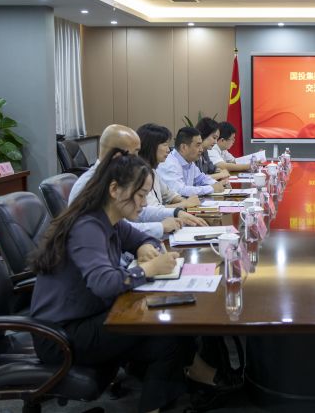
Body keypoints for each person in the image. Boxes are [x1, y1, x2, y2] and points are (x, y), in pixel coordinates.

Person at [30, 151, 223, 413]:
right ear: (114, 189)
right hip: (62, 335)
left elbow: (142, 239)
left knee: (169, 339)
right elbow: (105, 284)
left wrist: (145, 247)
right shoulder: (87, 226)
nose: (144, 203)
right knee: (166, 329)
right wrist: (149, 268)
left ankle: (168, 396)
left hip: (90, 316)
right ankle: (197, 380)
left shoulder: (110, 220)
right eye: (140, 195)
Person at [69, 124, 201, 237]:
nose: (138, 158)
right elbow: (118, 230)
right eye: (135, 153)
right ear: (117, 155)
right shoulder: (90, 184)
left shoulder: (116, 176)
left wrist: (176, 212)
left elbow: (139, 213)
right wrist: (160, 227)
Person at [136, 123, 205, 214]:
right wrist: (184, 204)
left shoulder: (152, 170)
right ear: (151, 146)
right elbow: (152, 211)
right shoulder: (139, 173)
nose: (168, 150)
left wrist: (185, 201)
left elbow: (169, 194)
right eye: (165, 145)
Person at [157, 126, 226, 197]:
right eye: (198, 145)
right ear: (183, 147)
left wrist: (217, 184)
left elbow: (201, 178)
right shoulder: (169, 163)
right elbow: (179, 191)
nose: (201, 149)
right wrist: (211, 188)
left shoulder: (189, 161)